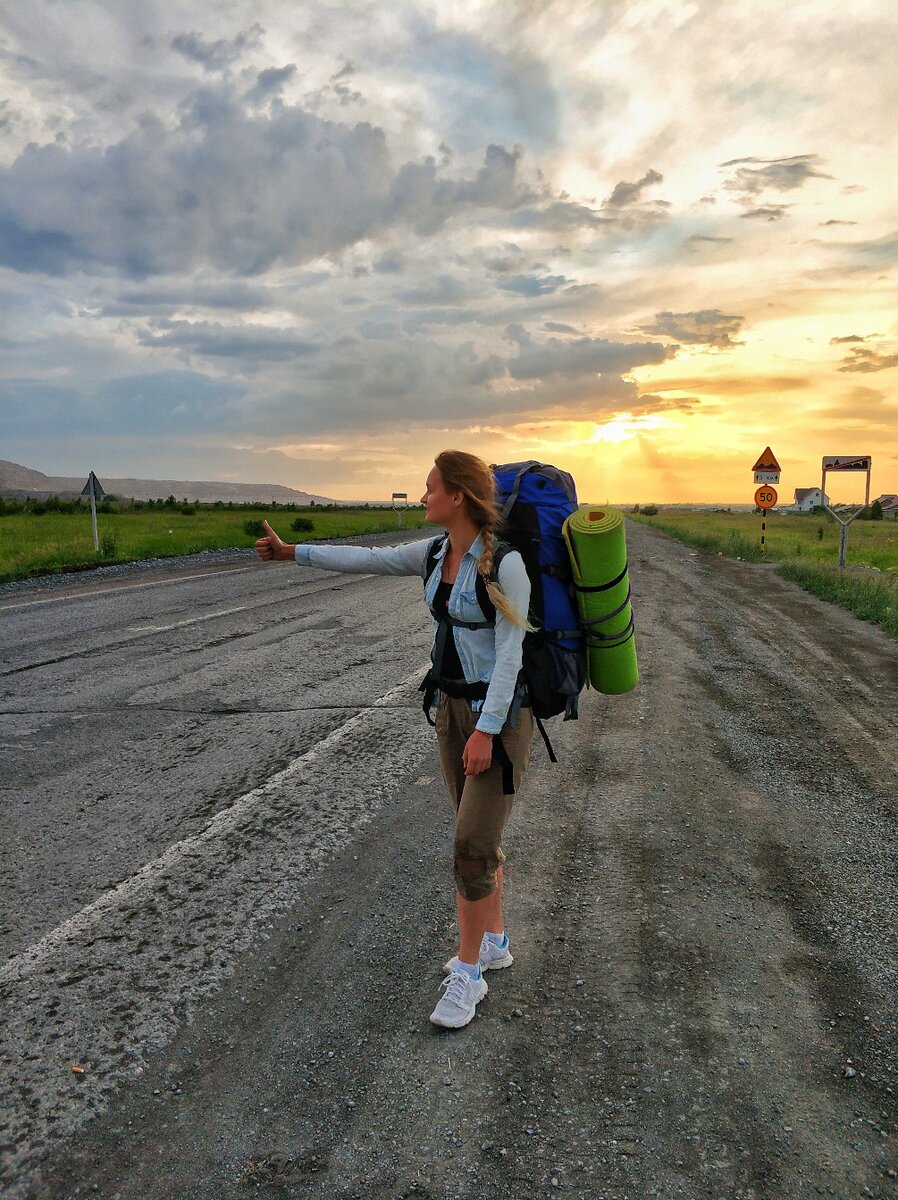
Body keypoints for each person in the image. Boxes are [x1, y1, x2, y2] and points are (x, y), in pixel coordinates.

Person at [254, 449, 534, 1028]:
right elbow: (366, 560)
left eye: (430, 487)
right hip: (451, 710)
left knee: (470, 849)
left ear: (457, 496)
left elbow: (510, 656)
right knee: (473, 838)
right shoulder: (435, 554)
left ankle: (468, 976)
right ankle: (494, 942)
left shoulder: (504, 565)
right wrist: (292, 554)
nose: (423, 494)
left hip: (497, 718)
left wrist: (485, 732)